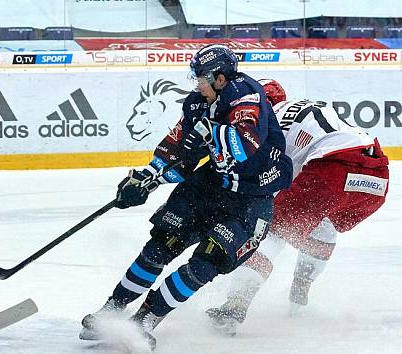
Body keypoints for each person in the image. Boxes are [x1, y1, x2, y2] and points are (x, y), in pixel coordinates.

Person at [79, 45, 293, 350]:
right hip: (210, 186)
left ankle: (146, 319)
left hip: (250, 199)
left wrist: (211, 132)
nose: (196, 85)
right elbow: (179, 150)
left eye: (201, 78)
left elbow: (243, 146)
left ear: (219, 78)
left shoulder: (246, 95)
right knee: (162, 242)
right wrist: (148, 178)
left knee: (206, 262)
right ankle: (112, 308)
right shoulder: (197, 103)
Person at [206, 79, 390, 336]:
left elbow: (267, 182)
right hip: (377, 177)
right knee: (320, 221)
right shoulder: (308, 106)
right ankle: (299, 297)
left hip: (332, 169)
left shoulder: (269, 123)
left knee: (270, 231)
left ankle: (236, 304)